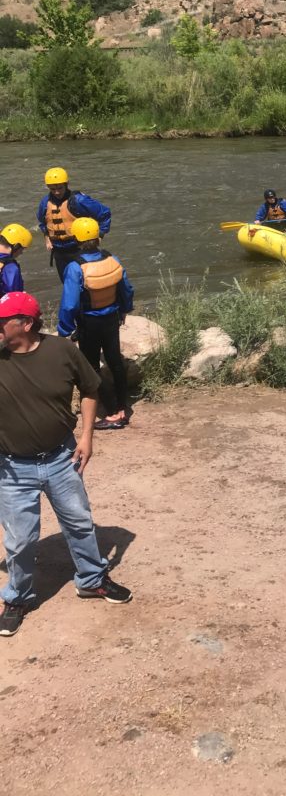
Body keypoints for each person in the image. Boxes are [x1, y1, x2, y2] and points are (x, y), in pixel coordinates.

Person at [0, 290, 132, 638]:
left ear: (25, 323)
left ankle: (91, 580)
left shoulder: (62, 351)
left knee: (79, 522)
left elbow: (89, 389)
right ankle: (17, 598)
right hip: (12, 468)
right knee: (20, 539)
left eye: (2, 321)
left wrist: (87, 436)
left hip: (62, 457)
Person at [57, 218, 134, 431]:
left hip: (89, 323)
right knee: (115, 361)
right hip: (111, 319)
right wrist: (125, 309)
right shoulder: (112, 259)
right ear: (98, 237)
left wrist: (64, 330)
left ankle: (112, 413)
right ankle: (122, 407)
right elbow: (126, 289)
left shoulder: (75, 268)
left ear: (76, 239)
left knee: (91, 367)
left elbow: (69, 304)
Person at [36, 167, 111, 282]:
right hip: (59, 252)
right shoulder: (45, 203)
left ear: (66, 184)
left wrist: (100, 234)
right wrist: (47, 237)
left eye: (60, 188)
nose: (56, 192)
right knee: (68, 283)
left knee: (87, 283)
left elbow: (104, 213)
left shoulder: (79, 200)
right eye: (52, 189)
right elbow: (42, 222)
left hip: (79, 249)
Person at [0, 224, 32, 298]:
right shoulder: (10, 267)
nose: (21, 252)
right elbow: (13, 295)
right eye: (22, 249)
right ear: (16, 246)